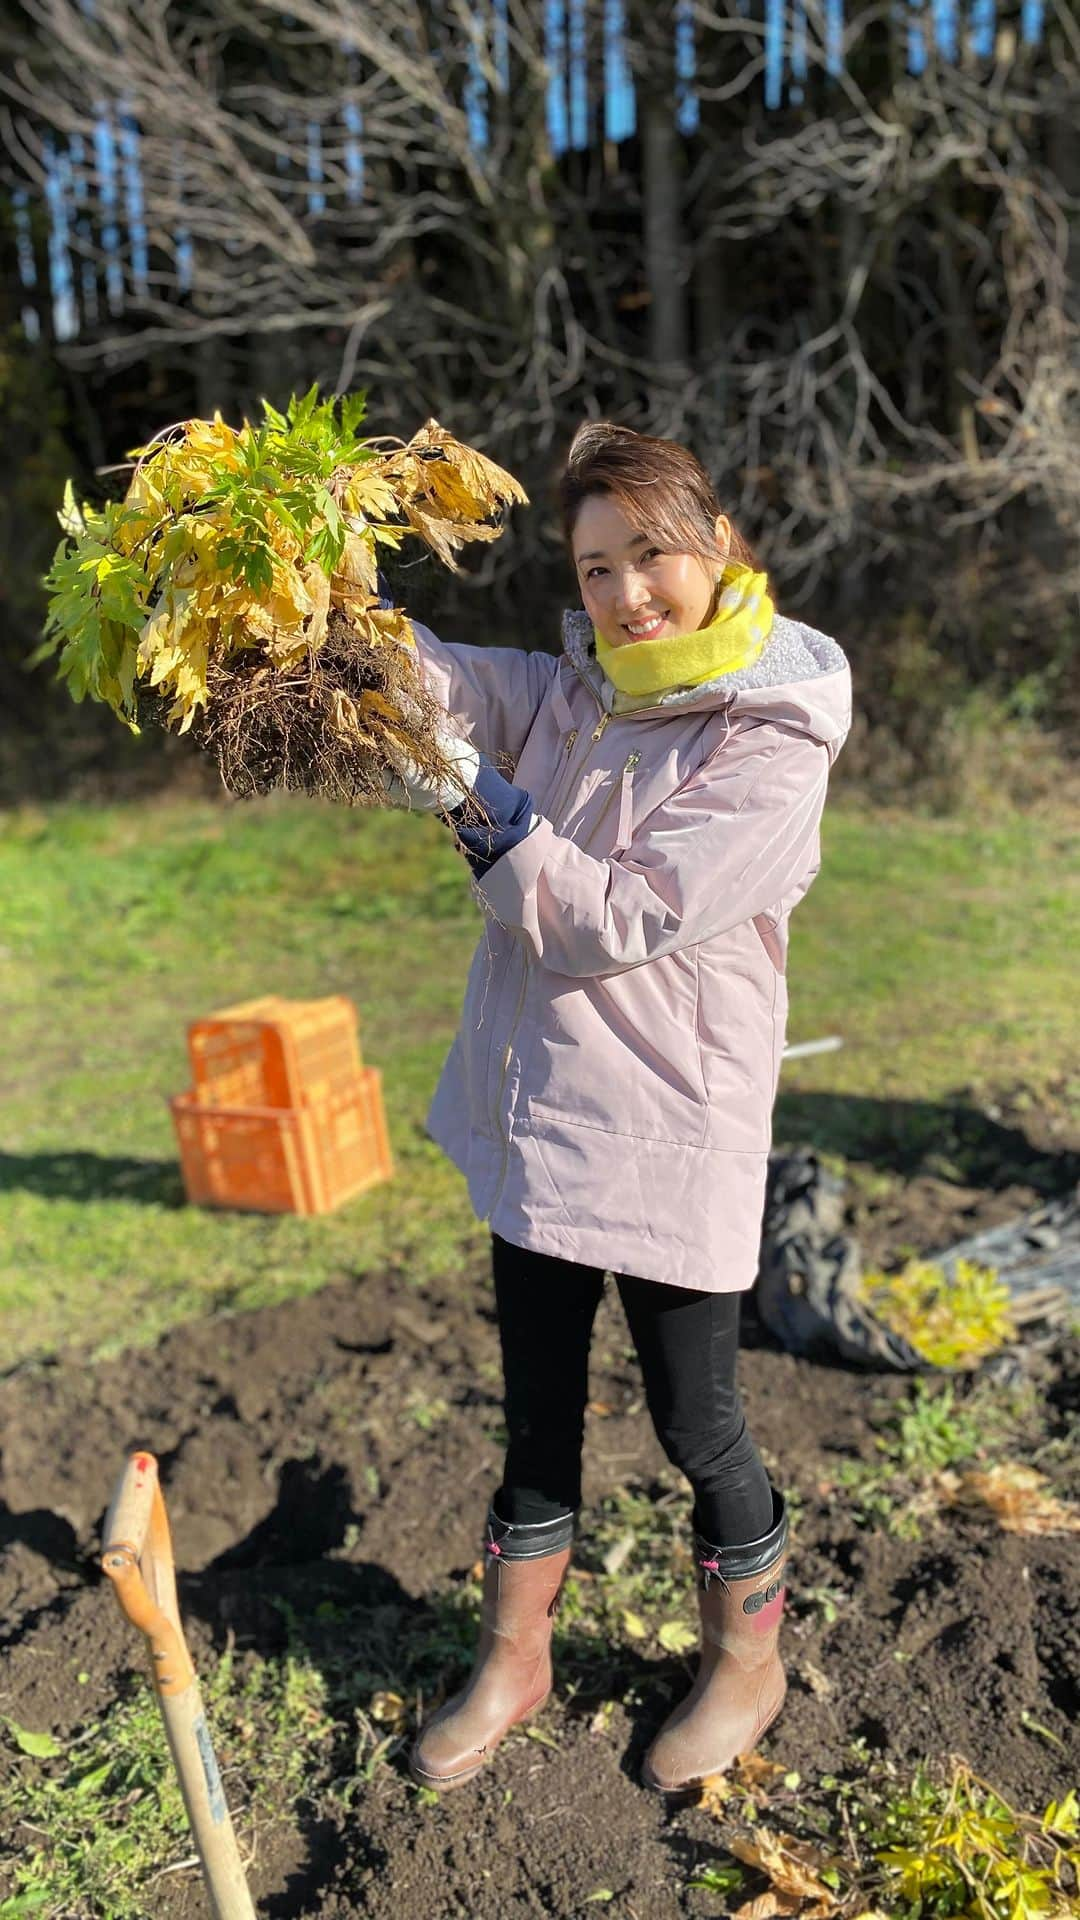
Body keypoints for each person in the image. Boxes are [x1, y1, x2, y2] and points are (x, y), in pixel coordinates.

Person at [377, 421, 852, 1795]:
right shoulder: (581, 689)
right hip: (545, 1120)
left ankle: (748, 1664)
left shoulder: (766, 734)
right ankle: (514, 1661)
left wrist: (480, 810)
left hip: (666, 1132)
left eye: (648, 556)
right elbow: (454, 681)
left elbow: (619, 916)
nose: (626, 595)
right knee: (536, 1414)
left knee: (696, 1422)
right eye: (594, 569)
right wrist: (338, 619)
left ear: (712, 545)